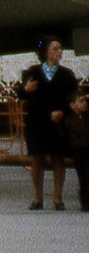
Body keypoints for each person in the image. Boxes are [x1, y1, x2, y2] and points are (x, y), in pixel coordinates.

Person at [14, 37, 77, 210]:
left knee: (58, 158)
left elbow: (74, 98)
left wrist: (63, 112)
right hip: (37, 121)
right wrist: (26, 90)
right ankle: (38, 198)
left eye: (60, 48)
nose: (59, 51)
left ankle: (58, 198)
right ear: (46, 52)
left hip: (57, 121)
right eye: (55, 48)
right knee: (37, 158)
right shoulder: (32, 73)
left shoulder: (67, 74)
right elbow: (19, 94)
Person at [62, 92, 89, 212]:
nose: (85, 104)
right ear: (72, 105)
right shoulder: (69, 120)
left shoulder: (87, 117)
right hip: (79, 151)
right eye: (81, 101)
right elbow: (72, 139)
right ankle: (86, 202)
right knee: (85, 175)